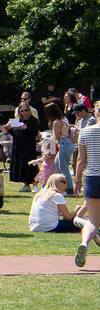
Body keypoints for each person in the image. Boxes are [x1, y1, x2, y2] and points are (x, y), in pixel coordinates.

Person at [29, 174, 98, 266]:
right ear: (56, 183)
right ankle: (95, 231)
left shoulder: (40, 194)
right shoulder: (57, 195)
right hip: (50, 226)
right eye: (64, 182)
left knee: (83, 220)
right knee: (80, 222)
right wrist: (76, 210)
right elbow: (68, 217)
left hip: (34, 227)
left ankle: (93, 230)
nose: (66, 185)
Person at [7, 104, 42, 192]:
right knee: (21, 165)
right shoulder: (17, 120)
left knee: (31, 165)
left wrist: (25, 128)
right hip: (18, 146)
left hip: (29, 146)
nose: (24, 112)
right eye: (21, 111)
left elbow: (34, 134)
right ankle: (26, 185)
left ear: (29, 110)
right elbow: (15, 133)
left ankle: (35, 185)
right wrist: (7, 129)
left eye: (26, 110)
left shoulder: (33, 120)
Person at [78, 112, 100, 246]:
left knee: (92, 220)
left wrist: (77, 180)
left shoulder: (85, 132)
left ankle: (84, 243)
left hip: (91, 177)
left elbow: (81, 160)